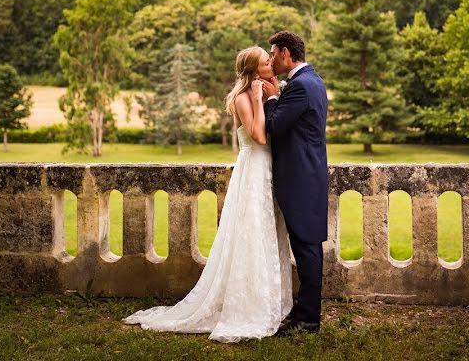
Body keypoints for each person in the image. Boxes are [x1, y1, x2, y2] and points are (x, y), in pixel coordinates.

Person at [121, 46, 293, 342]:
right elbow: (260, 136)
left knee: (267, 233)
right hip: (253, 169)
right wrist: (256, 98)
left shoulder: (267, 90)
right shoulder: (242, 98)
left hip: (267, 170)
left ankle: (269, 299)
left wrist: (271, 95)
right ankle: (248, 307)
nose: (272, 63)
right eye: (267, 61)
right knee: (250, 233)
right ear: (254, 69)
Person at [261, 31, 329, 336]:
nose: (271, 59)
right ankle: (304, 312)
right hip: (307, 174)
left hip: (302, 178)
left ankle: (308, 320)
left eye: (273, 54)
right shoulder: (311, 80)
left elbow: (274, 126)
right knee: (307, 247)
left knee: (307, 248)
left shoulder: (300, 86)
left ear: (286, 53)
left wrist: (272, 96)